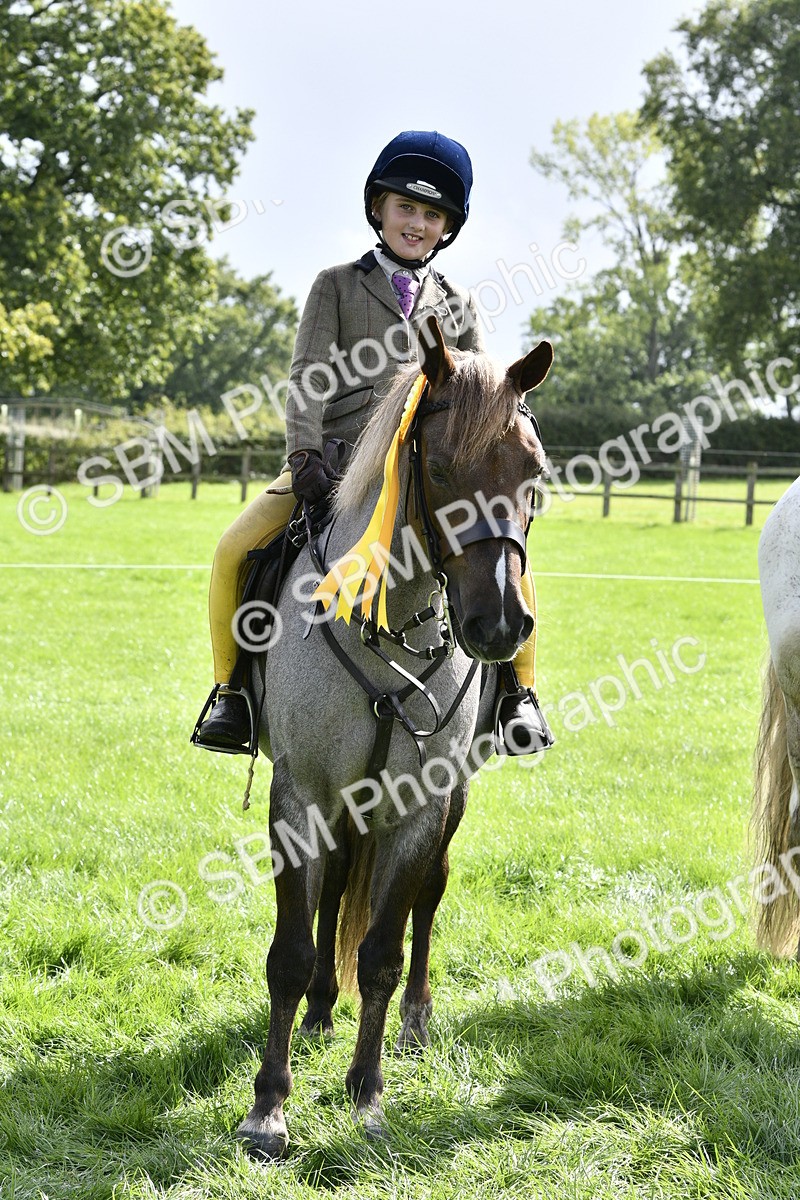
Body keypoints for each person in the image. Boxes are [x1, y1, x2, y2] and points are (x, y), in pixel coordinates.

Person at [193, 130, 553, 756]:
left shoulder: (459, 302)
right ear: (378, 210)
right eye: (405, 208)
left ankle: (516, 699)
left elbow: (486, 391)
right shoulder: (334, 285)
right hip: (333, 467)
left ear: (448, 227)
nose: (417, 223)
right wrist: (303, 454)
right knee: (233, 550)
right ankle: (231, 696)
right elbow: (307, 377)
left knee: (506, 564)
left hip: (424, 471)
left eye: (432, 214)